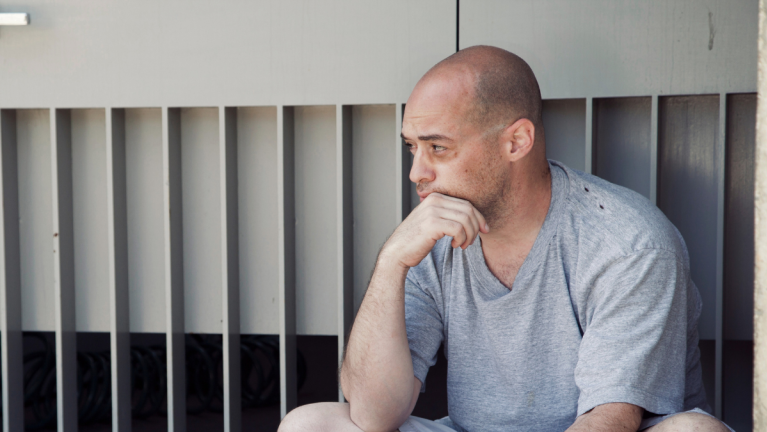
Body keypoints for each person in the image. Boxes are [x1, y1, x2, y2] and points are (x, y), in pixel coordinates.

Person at [278, 46, 732, 432]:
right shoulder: (431, 235)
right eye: (411, 147)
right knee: (311, 425)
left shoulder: (627, 242)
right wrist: (392, 262)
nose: (417, 173)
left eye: (438, 148)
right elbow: (374, 414)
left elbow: (608, 420)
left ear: (516, 141)